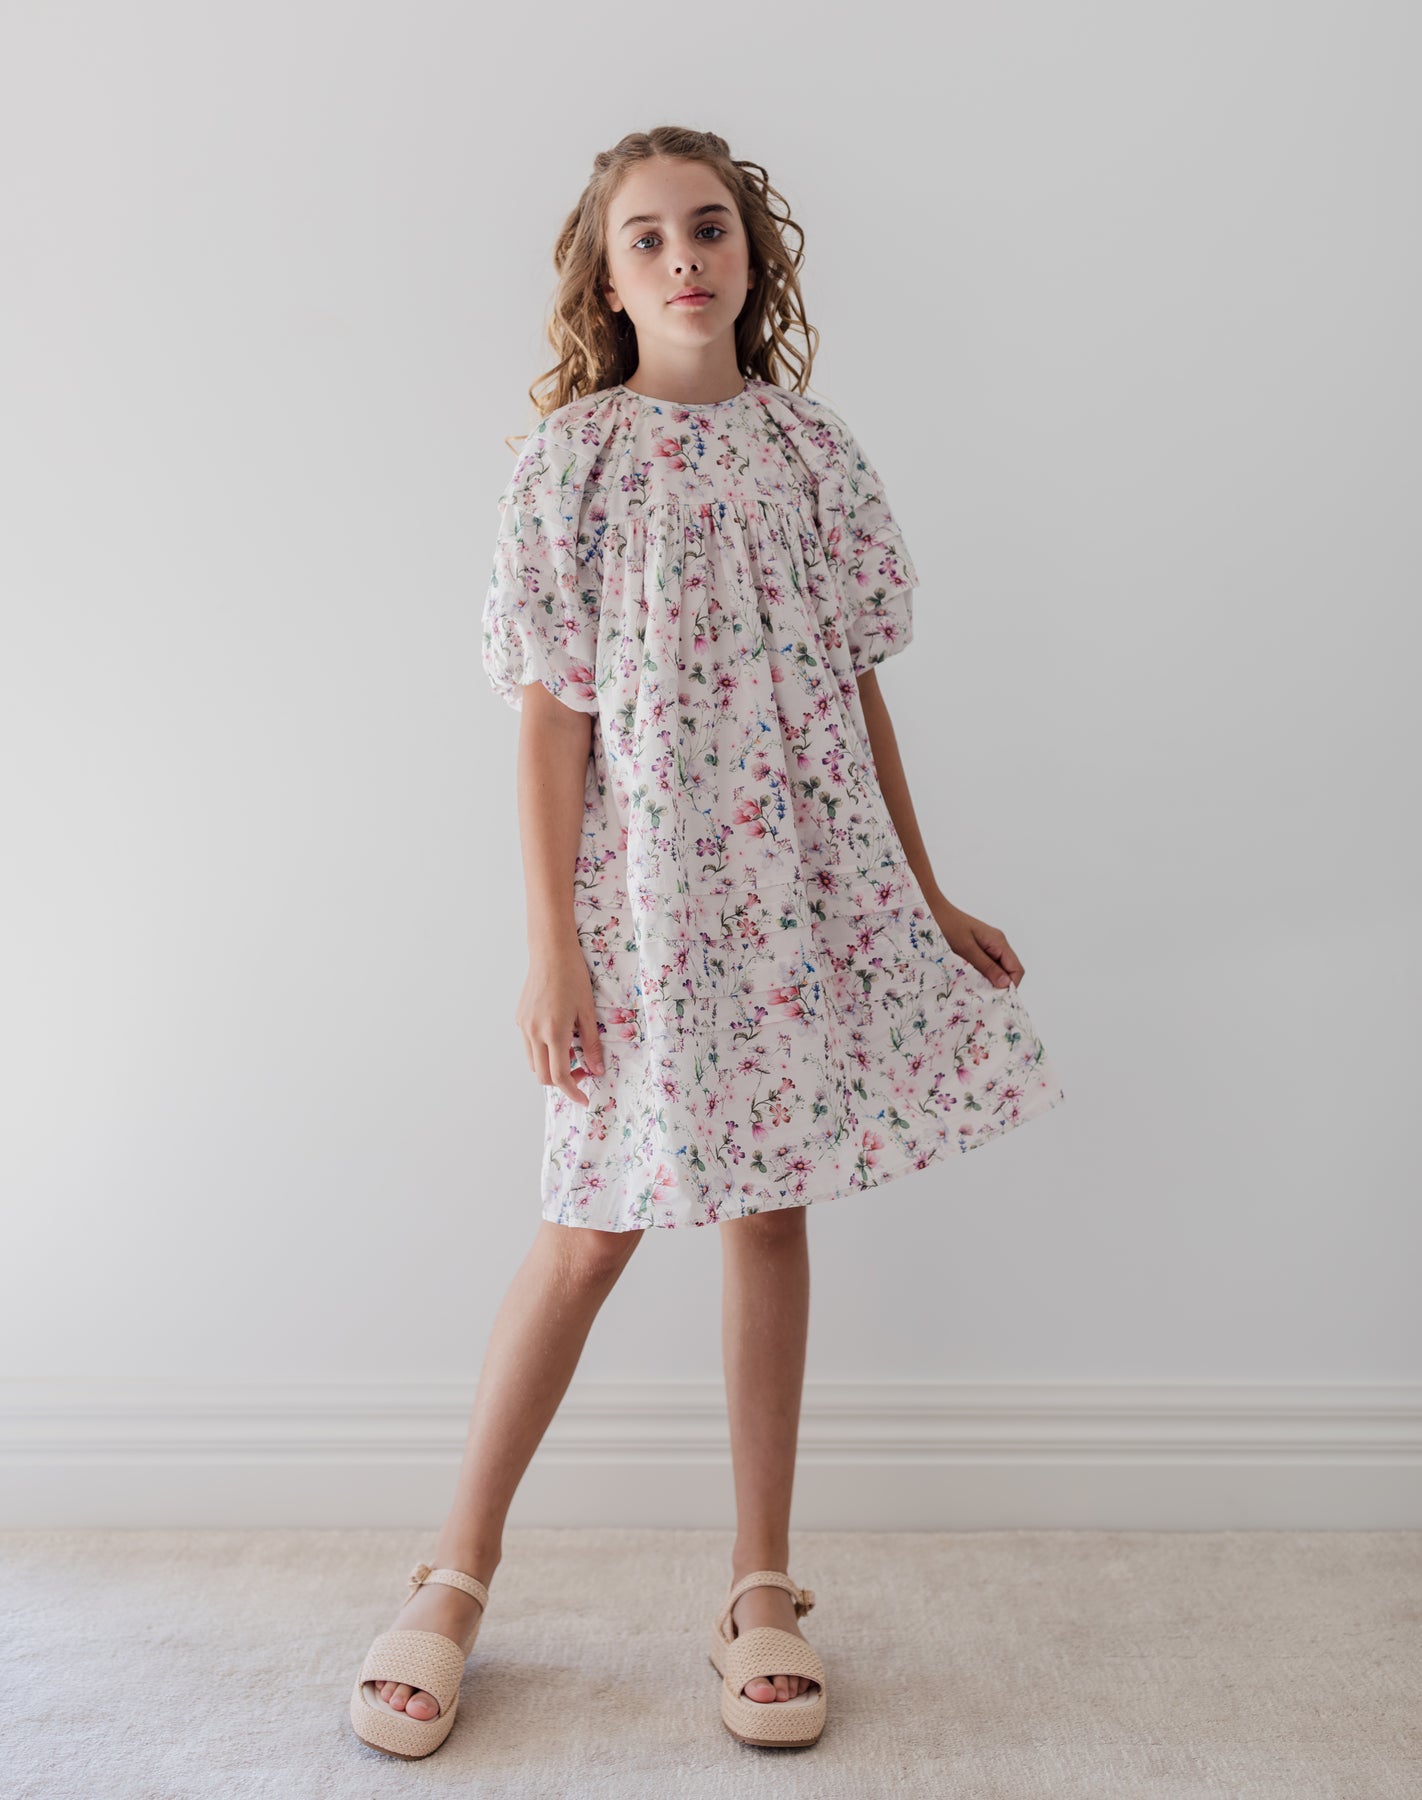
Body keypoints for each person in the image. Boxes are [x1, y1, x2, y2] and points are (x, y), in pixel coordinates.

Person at [349, 124, 1065, 1760]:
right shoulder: (574, 462)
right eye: (649, 238)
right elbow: (550, 721)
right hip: (642, 904)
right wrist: (552, 947)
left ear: (753, 253)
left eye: (710, 227)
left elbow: (854, 691)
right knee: (585, 1231)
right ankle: (452, 1575)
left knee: (766, 1211)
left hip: (796, 889)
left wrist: (923, 892)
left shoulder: (811, 451)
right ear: (606, 280)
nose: (685, 257)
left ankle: (759, 1587)